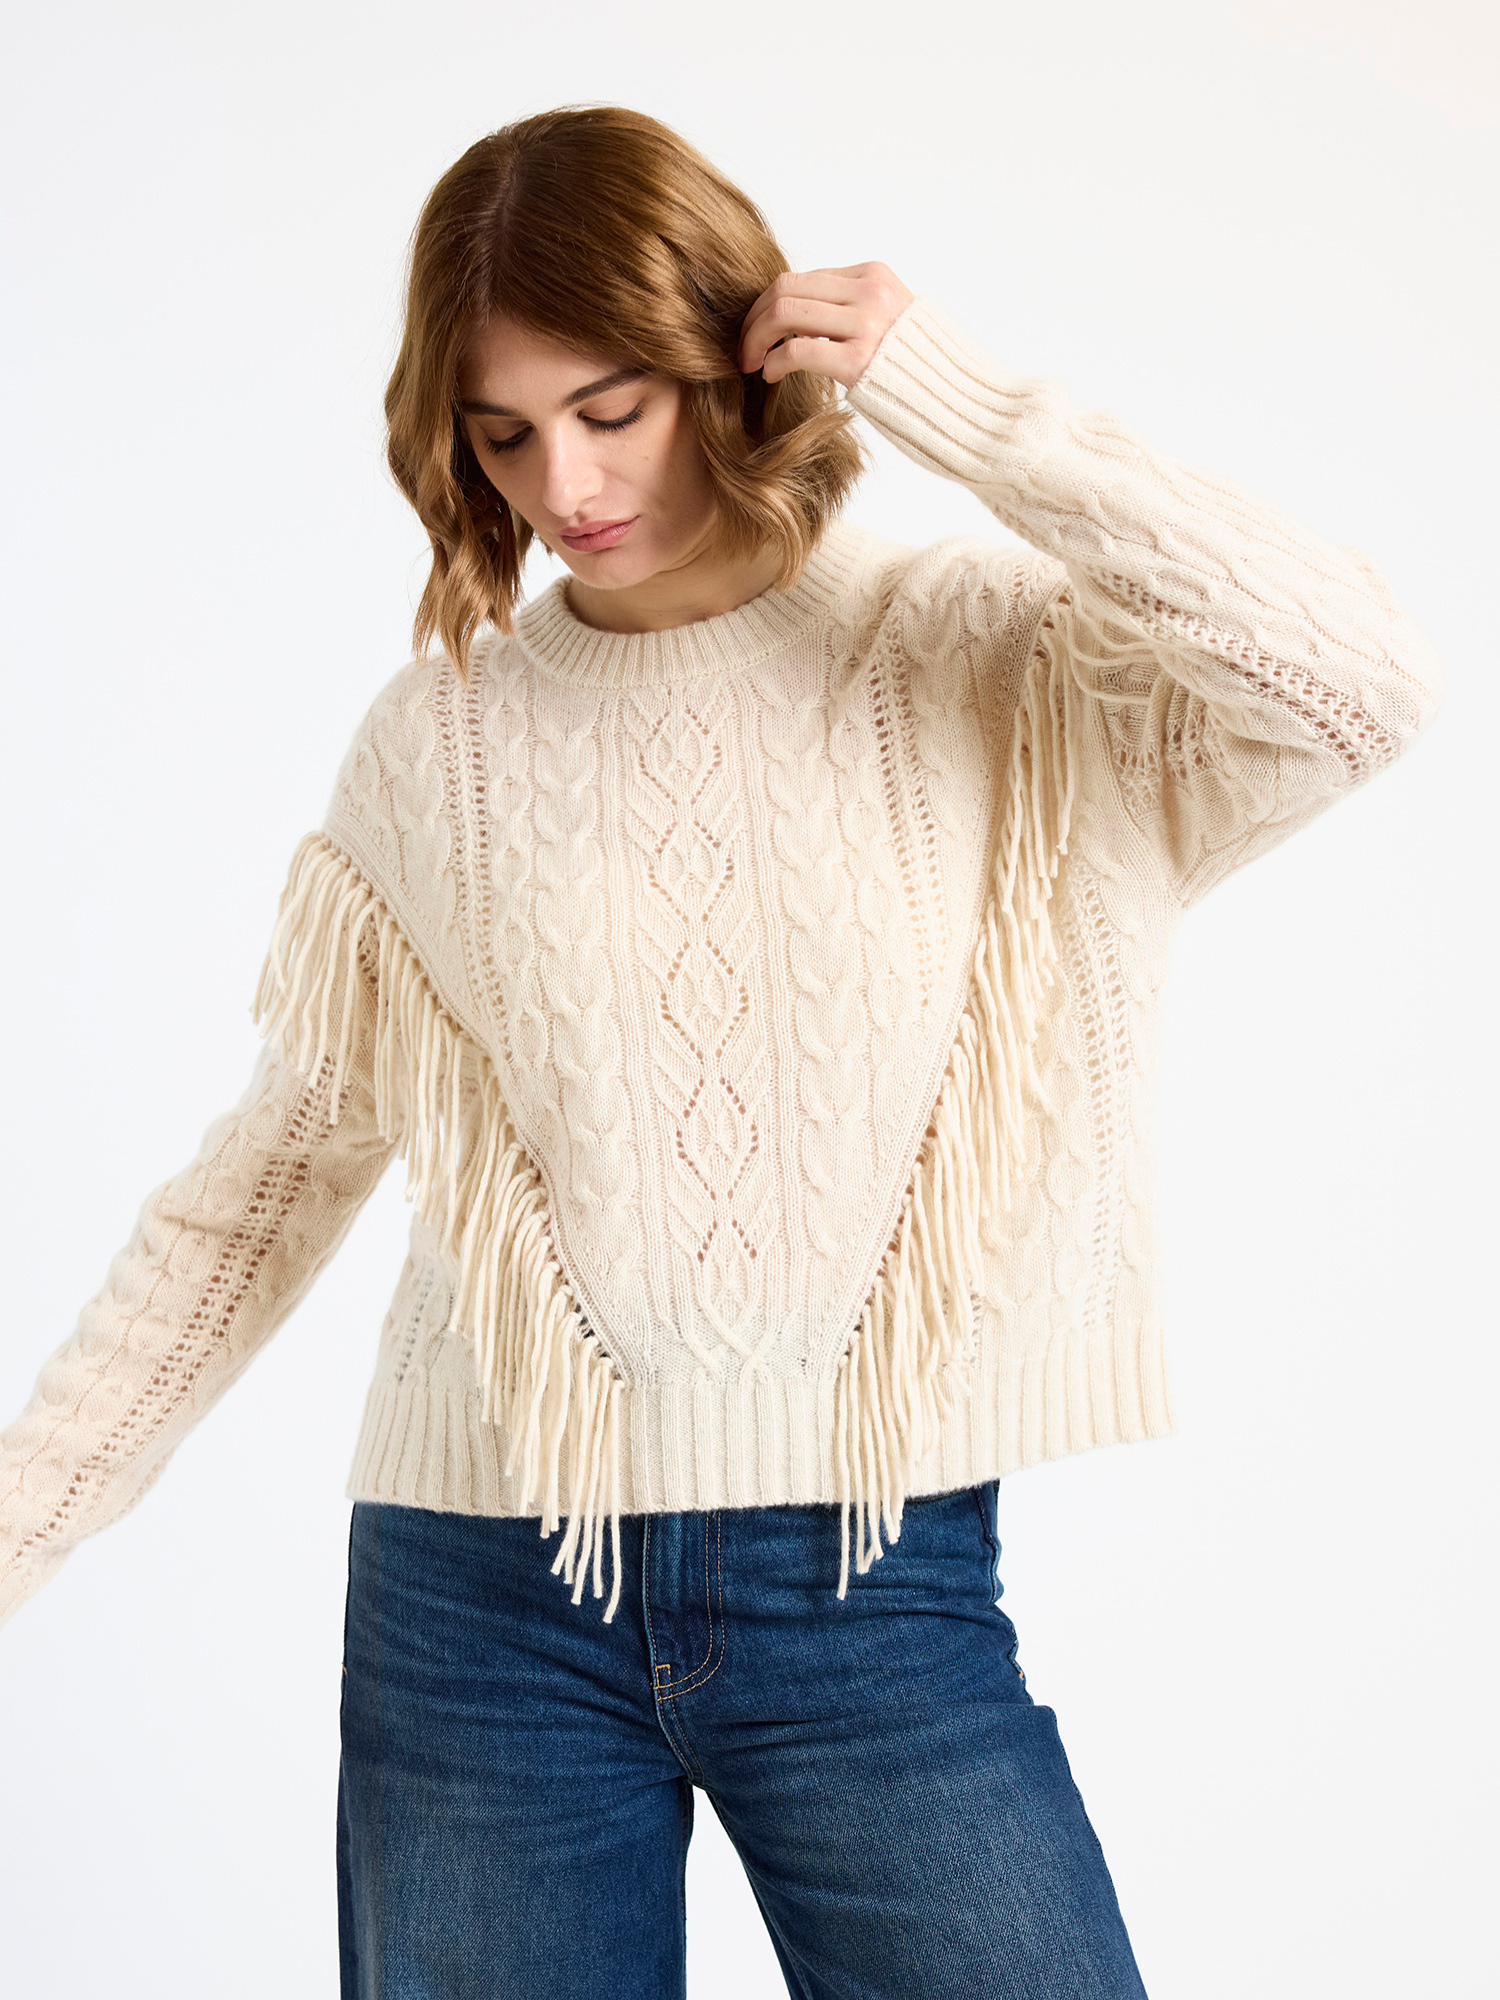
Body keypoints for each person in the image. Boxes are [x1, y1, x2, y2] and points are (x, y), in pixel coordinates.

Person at [0, 102, 1445, 2000]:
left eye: (614, 405)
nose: (565, 485)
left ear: (730, 360)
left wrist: (965, 401)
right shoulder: (437, 749)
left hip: (872, 1591)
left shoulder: (1000, 660)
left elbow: (1353, 682)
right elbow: (260, 1190)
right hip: (478, 1602)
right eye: (503, 434)